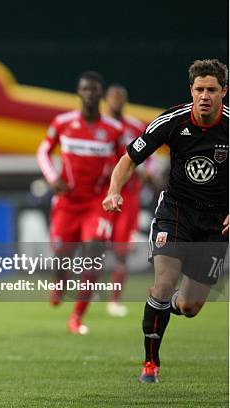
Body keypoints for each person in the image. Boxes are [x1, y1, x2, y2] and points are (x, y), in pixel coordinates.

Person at [102, 59, 229, 383]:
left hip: (216, 220)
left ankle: (167, 305)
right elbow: (129, 158)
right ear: (191, 90)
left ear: (223, 92)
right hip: (176, 211)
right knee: (163, 282)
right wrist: (114, 191)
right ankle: (150, 363)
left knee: (190, 306)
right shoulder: (172, 121)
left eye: (211, 90)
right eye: (199, 89)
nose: (204, 96)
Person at [37, 71, 123, 334]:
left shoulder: (114, 130)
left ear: (101, 94)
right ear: (78, 92)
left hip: (96, 202)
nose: (89, 94)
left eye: (94, 90)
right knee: (61, 255)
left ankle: (77, 316)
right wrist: (52, 178)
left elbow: (126, 160)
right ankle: (59, 281)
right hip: (66, 201)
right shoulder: (62, 122)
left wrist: (115, 190)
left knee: (94, 254)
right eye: (84, 89)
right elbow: (43, 151)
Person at [104, 84, 148, 317]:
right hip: (99, 195)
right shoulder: (98, 125)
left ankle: (114, 300)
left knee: (121, 250)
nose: (117, 102)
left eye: (121, 98)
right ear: (106, 100)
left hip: (128, 196)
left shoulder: (135, 127)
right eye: (113, 98)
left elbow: (149, 158)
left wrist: (148, 171)